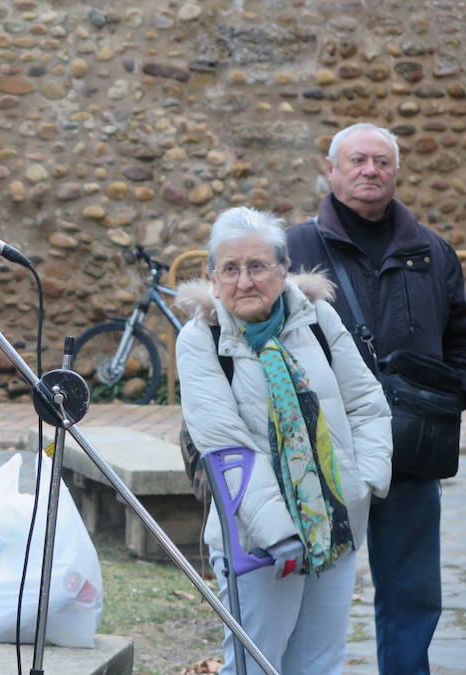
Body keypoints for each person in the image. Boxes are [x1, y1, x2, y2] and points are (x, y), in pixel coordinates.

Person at [175, 206, 392, 674]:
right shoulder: (201, 341)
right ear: (212, 278)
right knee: (257, 663)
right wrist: (279, 533)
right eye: (230, 269)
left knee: (319, 664)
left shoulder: (317, 320)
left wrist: (361, 487)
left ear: (283, 271)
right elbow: (225, 447)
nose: (245, 281)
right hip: (256, 539)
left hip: (334, 524)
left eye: (257, 266)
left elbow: (367, 405)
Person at [285, 122, 466, 675]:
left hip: (409, 450)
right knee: (310, 592)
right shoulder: (291, 249)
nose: (371, 171)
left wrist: (444, 399)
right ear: (332, 170)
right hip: (322, 451)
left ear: (395, 173)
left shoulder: (431, 252)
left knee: (412, 594)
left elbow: (460, 337)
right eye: (358, 161)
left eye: (382, 162)